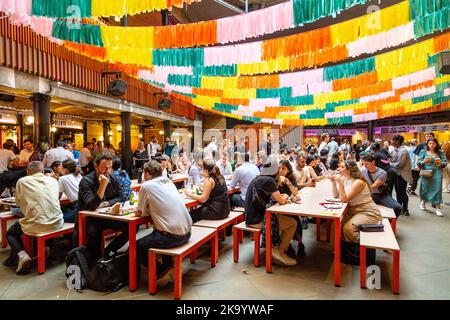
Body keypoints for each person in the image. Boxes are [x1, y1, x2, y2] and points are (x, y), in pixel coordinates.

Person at [135, 160, 192, 287]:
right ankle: (167, 266)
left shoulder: (147, 186)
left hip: (172, 236)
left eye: (144, 173)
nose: (143, 176)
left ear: (148, 173)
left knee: (136, 246)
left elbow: (140, 213)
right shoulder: (169, 182)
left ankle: (162, 271)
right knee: (159, 230)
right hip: (187, 233)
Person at [4, 161, 63, 274]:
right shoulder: (53, 180)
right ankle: (46, 248)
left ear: (27, 172)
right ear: (42, 171)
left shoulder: (22, 181)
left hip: (37, 224)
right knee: (47, 214)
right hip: (57, 222)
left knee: (10, 233)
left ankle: (22, 255)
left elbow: (18, 203)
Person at [244, 155, 297, 266]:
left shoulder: (259, 178)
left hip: (250, 217)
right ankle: (278, 251)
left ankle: (277, 249)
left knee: (283, 220)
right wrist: (286, 197)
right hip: (256, 221)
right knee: (292, 223)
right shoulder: (268, 180)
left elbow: (273, 197)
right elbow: (281, 201)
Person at [77, 155, 128, 260]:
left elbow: (122, 196)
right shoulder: (86, 181)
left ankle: (108, 251)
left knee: (130, 227)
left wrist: (107, 203)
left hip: (107, 215)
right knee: (93, 232)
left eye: (110, 167)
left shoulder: (112, 177)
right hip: (90, 218)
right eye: (104, 167)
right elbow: (91, 205)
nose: (107, 170)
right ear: (96, 166)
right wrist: (103, 185)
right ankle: (96, 262)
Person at [330, 160, 382, 243]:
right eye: (339, 167)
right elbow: (336, 196)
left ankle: (360, 250)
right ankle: (336, 251)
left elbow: (344, 199)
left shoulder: (358, 182)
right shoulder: (345, 179)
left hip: (367, 212)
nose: (339, 169)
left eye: (342, 167)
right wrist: (333, 183)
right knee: (336, 225)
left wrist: (340, 184)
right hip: (352, 210)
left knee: (348, 229)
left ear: (349, 169)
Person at [417, 138, 447, 217]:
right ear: (427, 144)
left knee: (437, 189)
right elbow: (418, 163)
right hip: (426, 172)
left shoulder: (440, 152)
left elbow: (444, 162)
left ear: (436, 144)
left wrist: (441, 162)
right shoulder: (423, 152)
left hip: (437, 172)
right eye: (430, 143)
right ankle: (423, 202)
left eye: (433, 143)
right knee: (424, 188)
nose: (431, 145)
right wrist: (423, 161)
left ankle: (438, 208)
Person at [390, 135, 413, 216]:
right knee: (398, 191)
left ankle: (405, 209)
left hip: (402, 175)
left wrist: (389, 163)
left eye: (392, 140)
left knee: (402, 192)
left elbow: (399, 164)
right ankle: (400, 208)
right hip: (397, 174)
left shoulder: (403, 151)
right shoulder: (394, 150)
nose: (391, 141)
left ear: (397, 142)